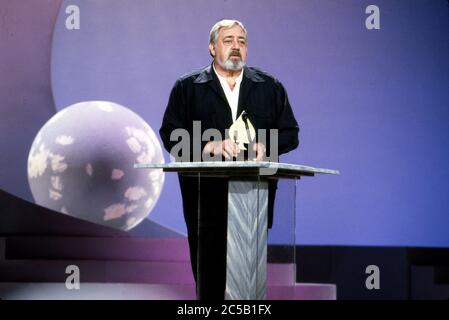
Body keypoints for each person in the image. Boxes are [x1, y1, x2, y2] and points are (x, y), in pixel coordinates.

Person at [159, 19, 299, 300]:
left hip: (254, 201)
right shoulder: (188, 87)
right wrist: (208, 145)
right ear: (212, 47)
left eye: (242, 41)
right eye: (228, 40)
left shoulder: (269, 87)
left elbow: (291, 134)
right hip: (204, 200)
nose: (236, 47)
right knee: (210, 280)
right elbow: (171, 134)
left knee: (247, 285)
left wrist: (265, 146)